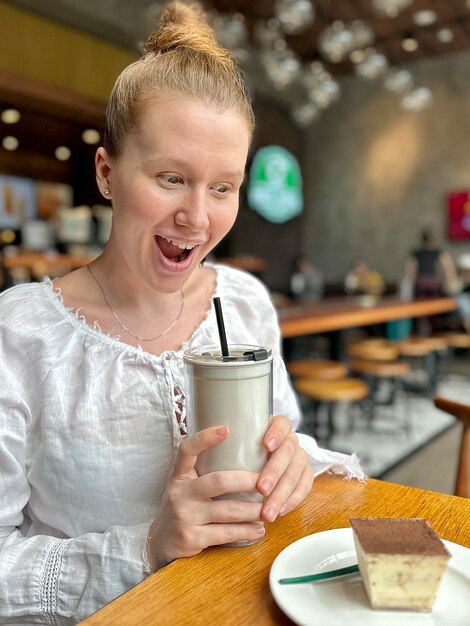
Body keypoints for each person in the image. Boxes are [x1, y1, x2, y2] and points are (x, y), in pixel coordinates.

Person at [0, 3, 363, 623]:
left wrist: (293, 459)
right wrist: (145, 546)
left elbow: (283, 437)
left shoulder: (244, 303)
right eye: (171, 178)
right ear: (108, 172)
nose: (198, 218)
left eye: (223, 187)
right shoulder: (21, 335)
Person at [403, 228, 457, 298]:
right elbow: (409, 272)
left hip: (426, 282)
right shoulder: (418, 254)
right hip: (427, 282)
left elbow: (448, 270)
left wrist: (449, 284)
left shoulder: (436, 253)